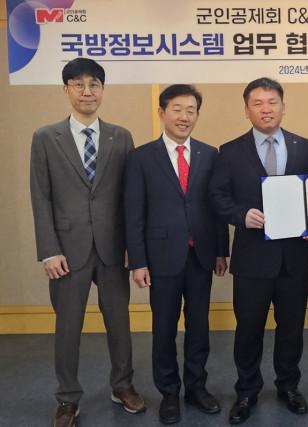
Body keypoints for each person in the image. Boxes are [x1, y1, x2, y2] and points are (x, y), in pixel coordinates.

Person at [30, 58, 145, 427]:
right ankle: (67, 398)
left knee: (119, 324)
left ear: (102, 90)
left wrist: (132, 245)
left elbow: (130, 196)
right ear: (66, 90)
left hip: (113, 248)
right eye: (78, 84)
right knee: (67, 328)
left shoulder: (121, 136)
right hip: (66, 251)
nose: (87, 91)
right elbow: (41, 196)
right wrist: (48, 250)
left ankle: (122, 385)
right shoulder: (46, 137)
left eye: (94, 84)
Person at [209, 77, 308, 425]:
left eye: (272, 102)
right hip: (252, 259)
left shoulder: (303, 146)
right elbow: (218, 197)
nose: (266, 109)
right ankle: (246, 390)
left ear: (283, 107)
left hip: (294, 259)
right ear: (247, 110)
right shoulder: (229, 151)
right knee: (248, 329)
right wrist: (241, 215)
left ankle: (289, 386)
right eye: (257, 103)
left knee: (291, 329)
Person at [124, 84, 229, 424]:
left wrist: (221, 250)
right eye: (177, 109)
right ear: (162, 112)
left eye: (191, 110)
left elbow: (216, 206)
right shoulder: (141, 157)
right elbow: (133, 213)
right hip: (161, 257)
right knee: (164, 328)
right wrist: (138, 261)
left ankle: (196, 387)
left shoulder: (210, 154)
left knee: (199, 326)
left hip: (201, 255)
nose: (184, 117)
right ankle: (169, 392)